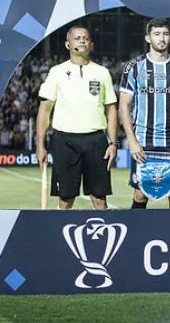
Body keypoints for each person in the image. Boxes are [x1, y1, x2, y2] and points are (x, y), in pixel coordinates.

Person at [35, 25, 118, 210]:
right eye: (77, 38)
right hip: (65, 140)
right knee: (65, 200)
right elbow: (44, 110)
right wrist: (40, 145)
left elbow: (111, 110)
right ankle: (58, 237)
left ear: (91, 44)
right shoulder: (56, 72)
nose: (82, 40)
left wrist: (113, 143)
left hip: (96, 140)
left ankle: (105, 236)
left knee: (99, 200)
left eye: (86, 38)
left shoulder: (102, 72)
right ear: (67, 44)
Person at [119, 18, 170, 209]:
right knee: (140, 194)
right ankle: (136, 238)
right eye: (157, 34)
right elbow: (124, 106)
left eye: (166, 34)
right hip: (143, 140)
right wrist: (132, 141)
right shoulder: (134, 67)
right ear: (148, 38)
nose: (162, 38)